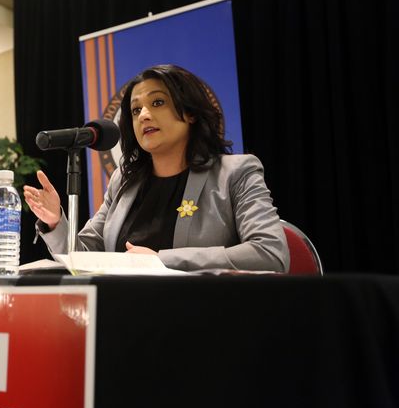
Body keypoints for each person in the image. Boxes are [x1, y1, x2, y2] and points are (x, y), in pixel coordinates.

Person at [24, 64, 289, 272]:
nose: (144, 115)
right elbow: (83, 257)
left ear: (191, 112)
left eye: (158, 103)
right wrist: (55, 222)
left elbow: (270, 253)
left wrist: (162, 261)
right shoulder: (124, 180)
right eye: (136, 110)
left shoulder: (235, 173)